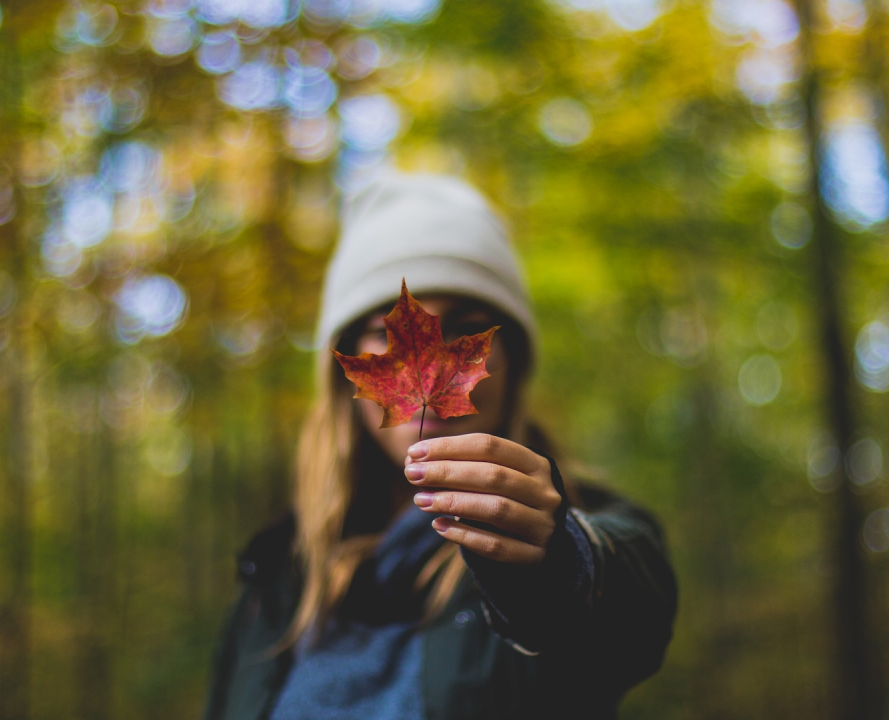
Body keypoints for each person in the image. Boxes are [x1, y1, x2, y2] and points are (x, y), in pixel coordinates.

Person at [201, 173, 677, 720]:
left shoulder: (568, 526)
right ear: (344, 370)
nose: (426, 372)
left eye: (468, 329)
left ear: (514, 364)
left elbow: (631, 606)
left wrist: (556, 563)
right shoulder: (274, 580)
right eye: (387, 332)